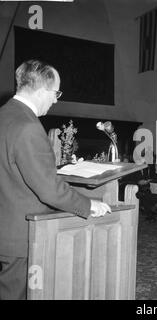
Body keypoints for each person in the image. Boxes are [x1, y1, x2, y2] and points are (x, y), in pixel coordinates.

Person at [0, 60, 111, 300]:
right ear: (41, 91)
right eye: (56, 92)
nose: (56, 99)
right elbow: (49, 190)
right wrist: (89, 204)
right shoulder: (28, 126)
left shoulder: (5, 115)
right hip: (21, 234)